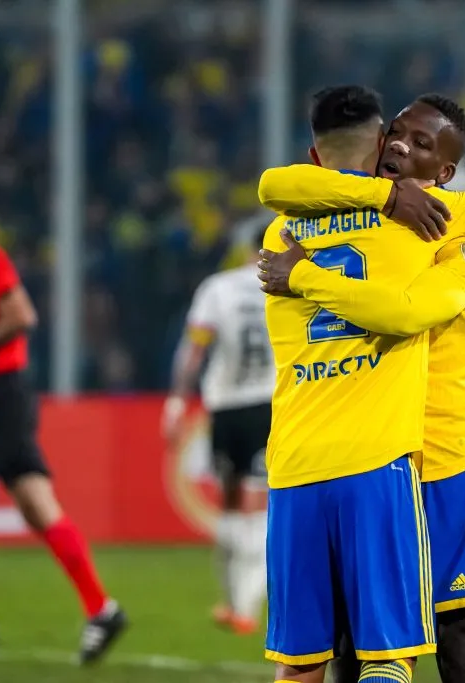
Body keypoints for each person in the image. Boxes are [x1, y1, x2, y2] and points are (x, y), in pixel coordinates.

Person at [257, 85, 465, 683]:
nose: (400, 146)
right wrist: (386, 196)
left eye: (420, 143)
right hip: (377, 454)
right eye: (396, 134)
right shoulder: (367, 218)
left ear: (444, 171)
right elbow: (279, 185)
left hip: (442, 454)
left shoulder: (464, 238)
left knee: (459, 637)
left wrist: (303, 275)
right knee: (355, 642)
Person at [0, 174, 126, 664]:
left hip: (0, 399)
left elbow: (21, 315)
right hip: (1, 396)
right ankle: (103, 610)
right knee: (37, 507)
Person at [162, 228, 273, 635]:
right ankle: (242, 603)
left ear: (245, 250)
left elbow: (194, 349)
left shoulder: (218, 288)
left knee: (230, 499)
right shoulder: (289, 286)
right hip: (270, 403)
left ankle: (240, 603)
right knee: (259, 502)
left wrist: (177, 401)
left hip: (226, 407)